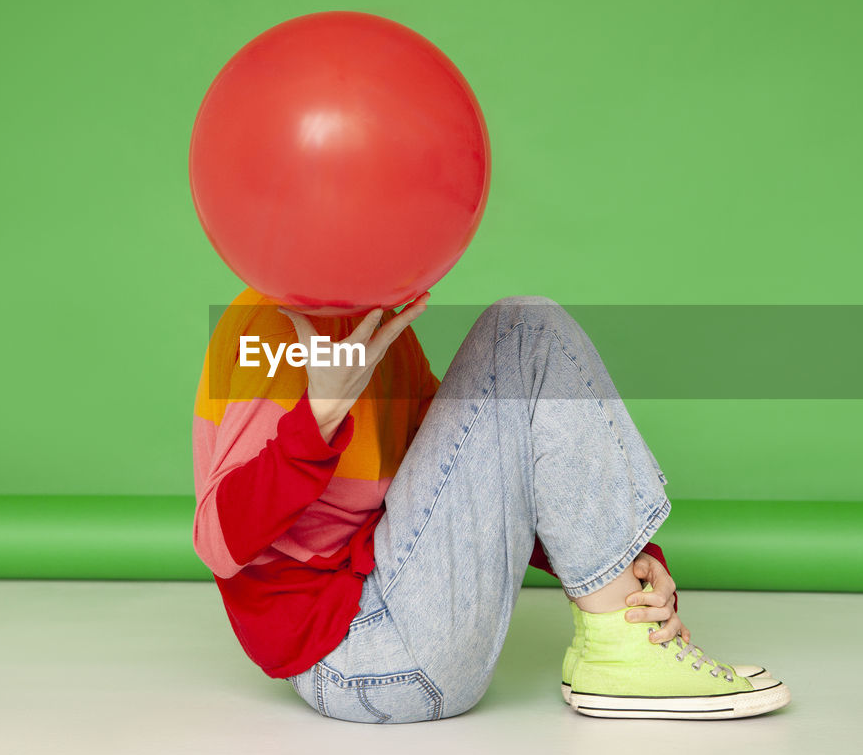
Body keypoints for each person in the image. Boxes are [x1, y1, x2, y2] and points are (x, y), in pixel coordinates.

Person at [192, 287, 790, 723]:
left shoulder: (376, 331)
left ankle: (622, 634)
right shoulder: (264, 328)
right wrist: (317, 419)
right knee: (522, 329)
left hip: (400, 620)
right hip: (356, 661)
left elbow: (477, 481)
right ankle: (620, 654)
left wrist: (633, 561)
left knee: (525, 330)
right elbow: (217, 544)